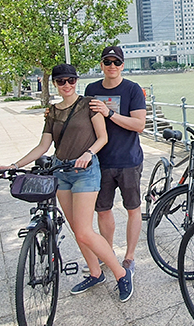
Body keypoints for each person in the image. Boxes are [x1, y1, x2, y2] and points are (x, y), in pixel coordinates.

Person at [2, 64, 133, 301]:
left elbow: (102, 137)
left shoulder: (88, 104)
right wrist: (15, 165)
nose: (67, 85)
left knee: (84, 231)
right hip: (61, 172)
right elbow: (43, 146)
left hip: (85, 171)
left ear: (76, 81)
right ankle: (95, 273)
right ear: (53, 83)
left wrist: (88, 153)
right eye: (61, 81)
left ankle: (121, 273)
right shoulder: (52, 112)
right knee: (76, 230)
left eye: (71, 80)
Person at [85, 46, 146, 275]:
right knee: (103, 210)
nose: (112, 66)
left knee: (133, 208)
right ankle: (106, 252)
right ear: (101, 65)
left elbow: (139, 125)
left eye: (116, 62)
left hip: (129, 159)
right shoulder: (91, 89)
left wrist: (109, 113)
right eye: (107, 62)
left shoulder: (132, 89)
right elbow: (81, 118)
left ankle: (129, 257)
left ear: (122, 65)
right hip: (101, 161)